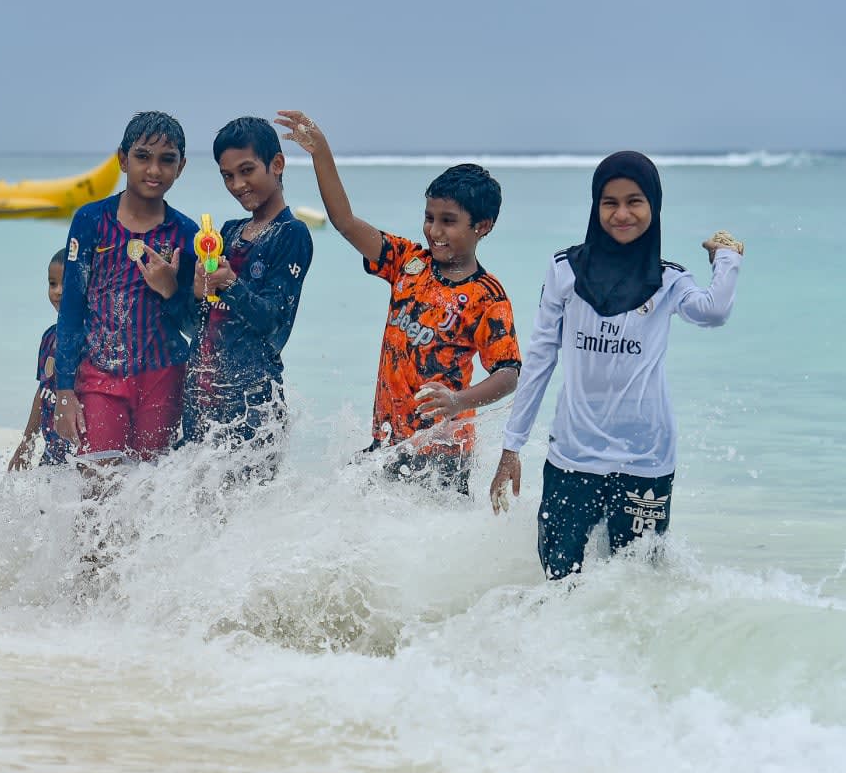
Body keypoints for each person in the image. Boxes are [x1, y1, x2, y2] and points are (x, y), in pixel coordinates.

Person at [489, 151, 744, 579]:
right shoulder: (564, 271)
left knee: (636, 583)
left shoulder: (667, 280)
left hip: (646, 458)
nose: (622, 214)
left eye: (634, 202)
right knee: (558, 580)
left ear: (653, 207)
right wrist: (511, 447)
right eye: (610, 202)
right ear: (596, 206)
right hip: (572, 456)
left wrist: (727, 256)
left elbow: (714, 312)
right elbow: (540, 359)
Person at [275, 110, 521, 493]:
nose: (434, 230)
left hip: (442, 455)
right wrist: (320, 152)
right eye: (429, 217)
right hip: (388, 441)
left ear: (482, 226)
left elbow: (508, 374)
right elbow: (345, 223)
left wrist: (459, 401)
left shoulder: (486, 297)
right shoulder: (407, 262)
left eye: (448, 221)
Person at [53, 111, 199, 462]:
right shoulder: (91, 221)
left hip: (164, 376)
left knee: (147, 482)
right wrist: (64, 390)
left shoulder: (185, 234)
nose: (154, 170)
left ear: (181, 167)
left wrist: (170, 289)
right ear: (123, 159)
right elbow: (72, 307)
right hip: (100, 373)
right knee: (97, 478)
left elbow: (193, 325)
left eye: (167, 160)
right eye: (143, 157)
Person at [179, 116, 313, 477]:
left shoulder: (292, 234)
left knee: (248, 508)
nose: (237, 184)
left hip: (253, 405)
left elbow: (274, 322)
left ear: (277, 164)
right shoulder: (227, 233)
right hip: (201, 396)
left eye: (247, 170)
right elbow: (196, 325)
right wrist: (193, 292)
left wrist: (231, 285)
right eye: (227, 175)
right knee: (191, 502)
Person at [9, 248, 72, 470]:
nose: (58, 291)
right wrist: (27, 442)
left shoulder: (90, 341)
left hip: (80, 455)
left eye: (66, 284)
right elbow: (43, 392)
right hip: (52, 451)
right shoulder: (49, 337)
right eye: (52, 284)